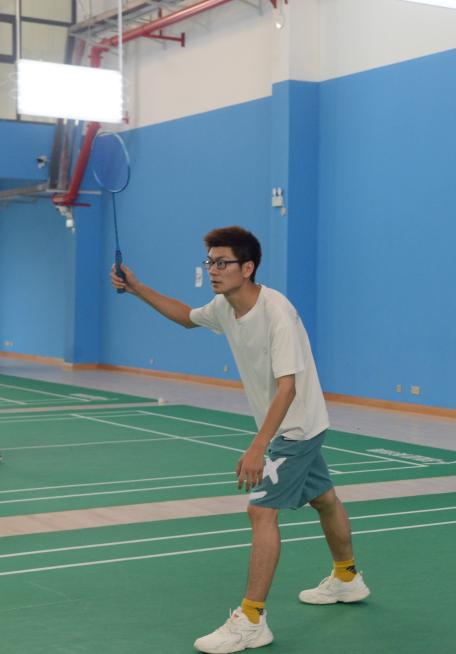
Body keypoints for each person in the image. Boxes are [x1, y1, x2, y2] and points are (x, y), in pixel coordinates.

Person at [111, 226, 370, 653]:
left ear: (247, 268)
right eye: (210, 262)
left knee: (260, 511)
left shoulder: (277, 313)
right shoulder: (225, 306)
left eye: (222, 263)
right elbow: (187, 317)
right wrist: (137, 288)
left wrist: (258, 446)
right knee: (324, 499)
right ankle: (347, 577)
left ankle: (252, 620)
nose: (213, 270)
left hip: (294, 427)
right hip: (299, 423)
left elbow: (287, 387)